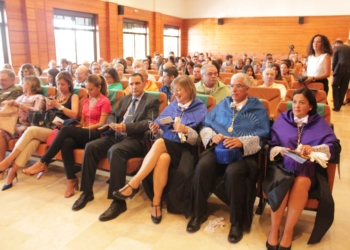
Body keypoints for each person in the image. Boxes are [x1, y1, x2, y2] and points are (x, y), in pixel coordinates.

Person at [187, 73, 270, 243]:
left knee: (234, 173)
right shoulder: (223, 104)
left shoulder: (258, 107)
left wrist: (241, 142)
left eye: (238, 86)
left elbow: (263, 136)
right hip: (219, 150)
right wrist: (212, 136)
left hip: (243, 155)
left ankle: (237, 223)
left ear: (247, 89)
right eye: (232, 86)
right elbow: (205, 125)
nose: (233, 89)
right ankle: (198, 214)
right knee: (202, 166)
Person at [114, 75, 207, 223]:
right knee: (163, 157)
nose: (175, 94)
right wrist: (156, 129)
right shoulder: (174, 105)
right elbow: (161, 129)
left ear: (189, 90)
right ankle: (156, 203)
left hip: (186, 150)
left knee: (159, 144)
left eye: (179, 90)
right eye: (174, 90)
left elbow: (199, 139)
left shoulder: (199, 107)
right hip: (168, 145)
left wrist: (185, 130)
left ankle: (134, 183)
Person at [71, 73, 159, 222]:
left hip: (136, 139)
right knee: (91, 147)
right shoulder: (124, 99)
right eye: (131, 84)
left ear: (144, 83)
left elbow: (148, 123)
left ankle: (118, 202)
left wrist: (126, 127)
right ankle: (86, 192)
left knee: (115, 151)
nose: (134, 87)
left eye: (137, 83)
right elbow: (113, 115)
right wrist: (112, 123)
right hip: (116, 135)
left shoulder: (151, 100)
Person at [264, 88, 340, 249]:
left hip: (308, 169)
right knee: (282, 181)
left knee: (300, 183)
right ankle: (274, 229)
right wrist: (281, 150)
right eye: (295, 102)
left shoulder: (319, 122)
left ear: (311, 106)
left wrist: (314, 149)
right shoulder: (283, 119)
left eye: (302, 102)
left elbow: (334, 147)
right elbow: (270, 145)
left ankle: (288, 232)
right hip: (282, 166)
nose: (297, 106)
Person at [22, 75, 111, 196]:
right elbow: (83, 120)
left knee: (66, 130)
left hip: (97, 133)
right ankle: (71, 179)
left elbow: (102, 123)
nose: (89, 93)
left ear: (99, 87)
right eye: (87, 89)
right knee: (66, 142)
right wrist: (80, 126)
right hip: (85, 131)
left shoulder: (104, 101)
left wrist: (84, 128)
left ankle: (43, 162)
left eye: (91, 89)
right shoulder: (86, 101)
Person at [0, 72, 79, 192]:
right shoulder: (55, 97)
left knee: (31, 131)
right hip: (49, 127)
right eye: (58, 84)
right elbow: (43, 117)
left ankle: (9, 160)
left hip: (61, 131)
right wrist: (49, 108)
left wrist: (58, 106)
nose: (60, 87)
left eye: (63, 84)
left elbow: (74, 114)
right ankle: (11, 173)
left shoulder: (73, 96)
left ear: (69, 84)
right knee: (33, 142)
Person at [0, 76, 45, 184]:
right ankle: (2, 163)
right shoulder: (21, 97)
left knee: (2, 131)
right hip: (15, 124)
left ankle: (3, 165)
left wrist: (20, 105)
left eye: (23, 83)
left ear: (30, 84)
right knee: (0, 132)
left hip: (28, 125)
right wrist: (8, 103)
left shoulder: (38, 97)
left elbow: (37, 112)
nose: (21, 85)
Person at [332, 39, 350, 111]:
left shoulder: (337, 48)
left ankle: (337, 105)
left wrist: (333, 70)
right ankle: (340, 103)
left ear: (336, 43)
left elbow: (334, 61)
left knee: (335, 86)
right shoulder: (349, 48)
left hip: (338, 70)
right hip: (348, 71)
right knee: (343, 87)